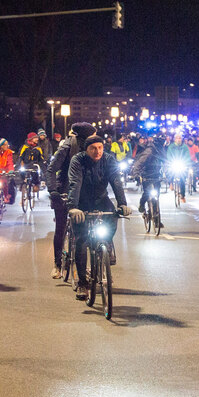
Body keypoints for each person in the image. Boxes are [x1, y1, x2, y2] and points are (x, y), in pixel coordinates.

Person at [67, 135, 133, 300]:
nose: (97, 152)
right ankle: (83, 283)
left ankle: (107, 244)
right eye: (93, 148)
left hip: (101, 199)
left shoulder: (108, 159)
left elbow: (116, 181)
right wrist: (73, 207)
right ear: (86, 149)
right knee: (81, 240)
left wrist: (122, 204)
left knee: (113, 215)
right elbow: (75, 183)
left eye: (100, 148)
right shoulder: (78, 160)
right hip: (81, 202)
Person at [47, 122, 96, 279]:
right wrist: (53, 190)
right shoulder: (67, 147)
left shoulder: (91, 147)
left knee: (87, 228)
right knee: (60, 227)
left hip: (83, 190)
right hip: (64, 189)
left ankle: (85, 266)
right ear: (84, 136)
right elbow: (51, 169)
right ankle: (57, 263)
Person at [130, 135, 166, 215]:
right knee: (147, 192)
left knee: (157, 193)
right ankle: (142, 204)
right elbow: (140, 162)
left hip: (156, 174)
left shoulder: (161, 150)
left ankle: (157, 218)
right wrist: (136, 174)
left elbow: (166, 162)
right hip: (146, 174)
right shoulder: (150, 151)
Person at [166, 133, 191, 201]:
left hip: (182, 164)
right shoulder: (171, 146)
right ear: (174, 139)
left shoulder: (185, 147)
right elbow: (169, 155)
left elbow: (187, 155)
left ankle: (182, 195)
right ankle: (170, 183)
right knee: (169, 172)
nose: (178, 139)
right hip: (173, 163)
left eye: (180, 138)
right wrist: (170, 161)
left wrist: (186, 162)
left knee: (182, 179)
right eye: (177, 138)